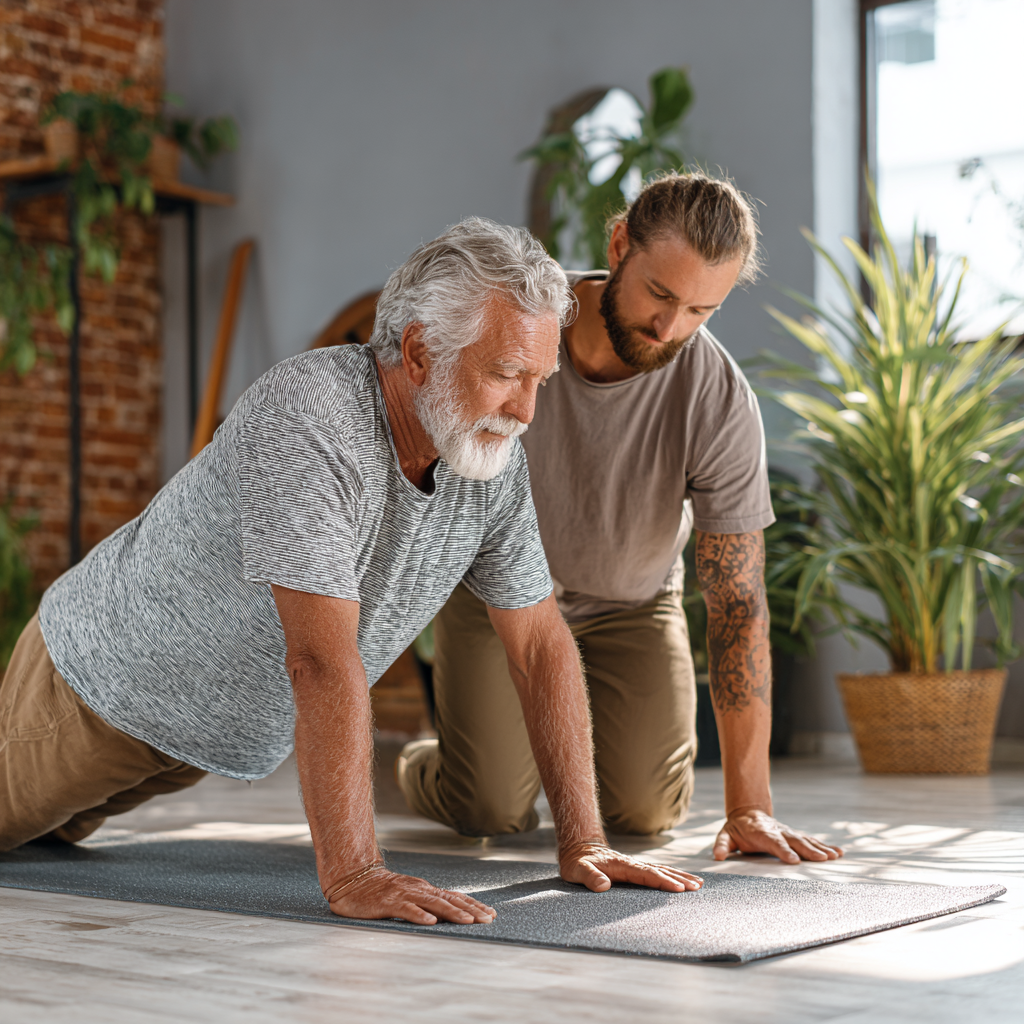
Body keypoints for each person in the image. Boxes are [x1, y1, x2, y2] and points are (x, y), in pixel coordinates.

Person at [0, 218, 703, 925]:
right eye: (505, 374)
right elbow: (318, 658)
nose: (525, 409)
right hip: (100, 691)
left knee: (42, 845)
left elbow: (540, 642)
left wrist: (583, 841)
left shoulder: (489, 459)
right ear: (421, 350)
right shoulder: (312, 414)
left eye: (539, 379)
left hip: (194, 737)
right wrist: (355, 872)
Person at [398, 176, 843, 865]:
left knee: (647, 812)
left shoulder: (717, 395)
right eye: (661, 295)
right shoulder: (519, 329)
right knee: (490, 808)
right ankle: (426, 765)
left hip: (629, 608)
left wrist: (749, 803)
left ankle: (525, 751)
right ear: (619, 245)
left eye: (702, 309)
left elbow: (737, 601)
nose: (671, 329)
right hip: (497, 600)